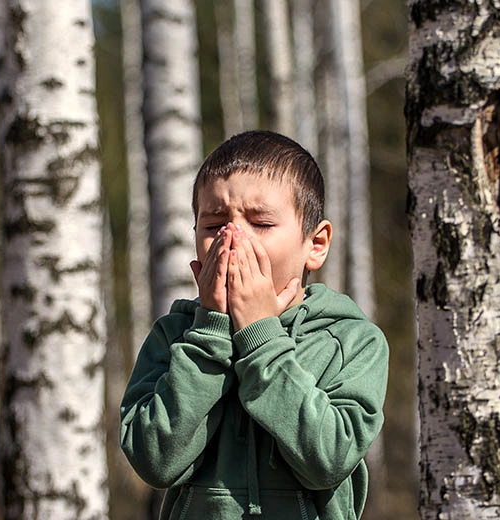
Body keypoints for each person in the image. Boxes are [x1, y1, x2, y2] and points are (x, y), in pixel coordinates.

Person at [119, 130, 389, 519]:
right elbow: (156, 462)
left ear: (315, 245)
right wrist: (210, 332)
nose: (233, 240)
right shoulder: (175, 335)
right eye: (214, 225)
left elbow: (328, 459)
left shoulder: (350, 340)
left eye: (260, 223)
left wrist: (260, 336)